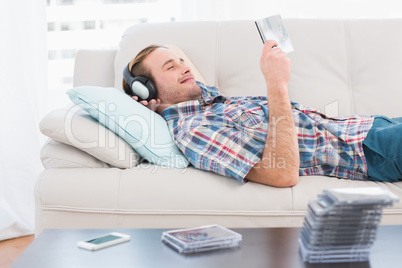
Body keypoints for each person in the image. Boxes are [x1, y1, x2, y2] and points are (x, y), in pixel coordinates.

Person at [122, 42, 402, 187]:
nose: (185, 68)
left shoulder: (205, 101)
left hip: (371, 126)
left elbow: (175, 63)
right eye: (171, 67)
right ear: (147, 89)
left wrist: (158, 92)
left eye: (182, 62)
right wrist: (276, 84)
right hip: (369, 150)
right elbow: (281, 175)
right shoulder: (193, 130)